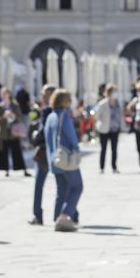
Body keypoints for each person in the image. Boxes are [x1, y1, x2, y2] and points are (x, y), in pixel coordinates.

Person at [44, 89, 81, 232]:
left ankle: (57, 218)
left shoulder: (50, 116)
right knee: (77, 187)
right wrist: (77, 151)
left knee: (62, 190)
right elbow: (71, 136)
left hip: (53, 158)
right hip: (66, 158)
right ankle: (64, 216)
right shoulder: (64, 116)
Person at [28, 84, 56, 225]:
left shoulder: (46, 111)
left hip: (44, 151)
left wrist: (34, 135)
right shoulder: (61, 111)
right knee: (63, 183)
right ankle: (71, 213)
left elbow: (43, 132)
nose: (41, 96)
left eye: (44, 93)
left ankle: (37, 215)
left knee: (39, 184)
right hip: (57, 151)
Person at [0, 89, 29, 177]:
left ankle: (23, 169)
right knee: (4, 152)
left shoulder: (15, 105)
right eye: (4, 94)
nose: (5, 95)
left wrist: (13, 116)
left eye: (7, 94)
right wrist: (4, 116)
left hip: (14, 132)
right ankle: (6, 169)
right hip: (3, 133)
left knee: (17, 151)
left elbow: (20, 117)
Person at [93, 84, 121, 174]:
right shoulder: (102, 103)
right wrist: (98, 125)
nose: (115, 94)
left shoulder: (117, 102)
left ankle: (114, 167)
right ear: (109, 93)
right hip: (104, 129)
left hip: (115, 129)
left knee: (114, 149)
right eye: (114, 92)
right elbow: (96, 115)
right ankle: (101, 168)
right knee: (103, 149)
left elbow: (120, 114)